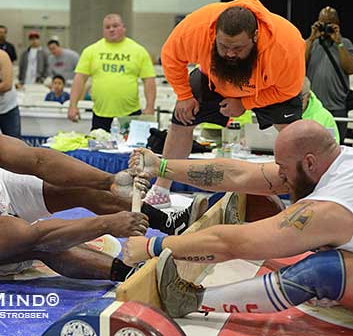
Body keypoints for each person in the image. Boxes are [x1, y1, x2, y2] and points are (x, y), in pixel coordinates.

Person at [0, 122, 208, 280]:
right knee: (39, 246)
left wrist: (110, 181)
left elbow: (38, 160)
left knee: (80, 186)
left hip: (2, 191)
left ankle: (169, 222)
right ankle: (126, 273)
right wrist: (107, 224)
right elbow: (37, 233)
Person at [123, 119, 353, 317]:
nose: (280, 174)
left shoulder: (329, 207)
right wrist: (161, 166)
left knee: (325, 270)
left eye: (282, 167)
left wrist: (153, 246)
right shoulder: (336, 161)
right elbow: (241, 174)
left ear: (310, 162)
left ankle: (190, 301)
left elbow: (237, 243)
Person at [144, 0, 305, 208]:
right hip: (214, 79)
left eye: (238, 48)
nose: (229, 53)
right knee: (182, 119)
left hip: (267, 88)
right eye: (223, 45)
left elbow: (289, 90)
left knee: (294, 136)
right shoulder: (197, 29)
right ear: (214, 34)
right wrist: (184, 96)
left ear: (255, 36)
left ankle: (303, 195)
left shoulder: (285, 44)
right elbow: (171, 57)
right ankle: (161, 188)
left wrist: (245, 103)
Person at [68, 13, 157, 132]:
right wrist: (73, 105)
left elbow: (149, 80)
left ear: (124, 27)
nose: (111, 29)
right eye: (107, 27)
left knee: (131, 150)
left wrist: (150, 106)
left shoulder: (138, 51)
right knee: (98, 149)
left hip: (129, 114)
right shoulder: (91, 51)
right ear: (103, 30)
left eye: (115, 26)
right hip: (100, 115)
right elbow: (80, 79)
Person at [305, 6, 353, 144]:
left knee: (337, 146)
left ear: (337, 23)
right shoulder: (312, 44)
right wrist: (311, 38)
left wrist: (339, 43)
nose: (326, 26)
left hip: (337, 107)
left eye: (329, 22)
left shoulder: (345, 44)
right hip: (315, 108)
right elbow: (300, 63)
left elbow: (350, 69)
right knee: (312, 145)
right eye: (323, 23)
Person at [301, 76, 339, 143]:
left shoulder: (326, 117)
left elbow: (333, 147)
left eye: (300, 99)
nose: (293, 103)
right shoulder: (280, 111)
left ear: (308, 96)